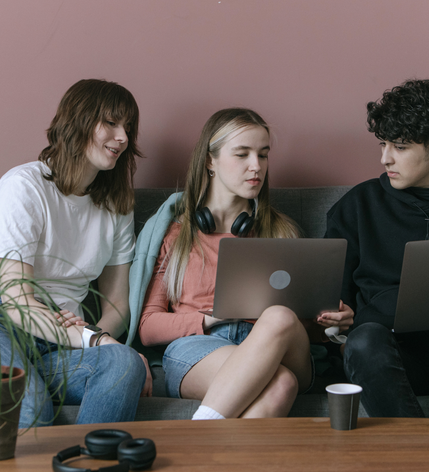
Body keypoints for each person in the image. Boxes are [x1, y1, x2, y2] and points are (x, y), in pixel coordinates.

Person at [132, 108, 353, 419]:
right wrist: (212, 317)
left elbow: (302, 326)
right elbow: (148, 327)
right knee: (281, 384)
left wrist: (331, 319)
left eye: (263, 155)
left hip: (280, 346)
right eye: (242, 154)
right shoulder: (176, 235)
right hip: (199, 348)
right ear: (210, 160)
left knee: (278, 316)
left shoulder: (281, 231)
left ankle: (196, 432)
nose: (256, 167)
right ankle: (219, 459)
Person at [326, 78, 429, 417]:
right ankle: (421, 455)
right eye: (383, 144)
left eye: (399, 147)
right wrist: (336, 317)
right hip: (391, 358)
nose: (385, 158)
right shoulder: (359, 205)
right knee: (364, 342)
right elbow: (330, 301)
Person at [0, 79, 152, 428]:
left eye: (128, 127)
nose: (123, 137)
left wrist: (92, 338)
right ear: (77, 121)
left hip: (63, 341)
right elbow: (15, 300)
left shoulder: (116, 205)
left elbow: (117, 302)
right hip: (6, 325)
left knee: (123, 362)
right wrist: (95, 339)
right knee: (33, 408)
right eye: (111, 123)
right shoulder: (24, 187)